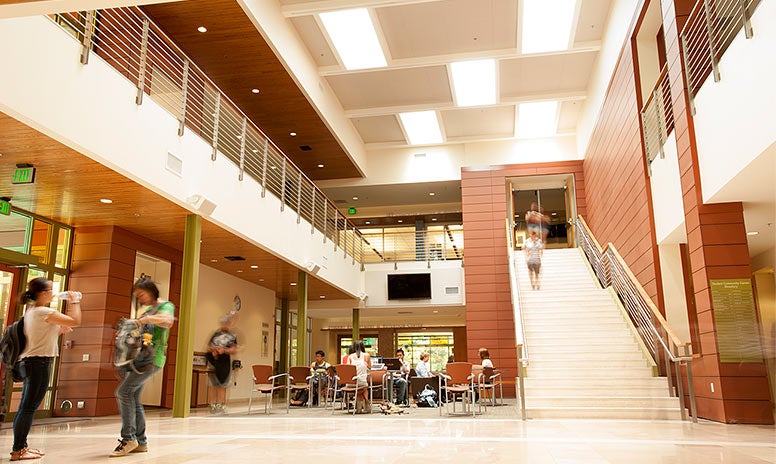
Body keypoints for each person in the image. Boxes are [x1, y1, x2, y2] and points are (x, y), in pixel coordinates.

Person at [10, 278, 81, 462]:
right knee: (28, 407)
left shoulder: (32, 311)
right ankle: (18, 449)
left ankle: (21, 446)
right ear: (42, 293)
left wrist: (59, 330)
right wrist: (75, 301)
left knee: (26, 406)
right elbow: (76, 320)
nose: (53, 292)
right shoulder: (44, 311)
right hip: (38, 363)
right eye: (50, 290)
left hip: (32, 362)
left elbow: (40, 335)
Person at [111, 277, 175, 457]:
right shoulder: (146, 310)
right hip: (139, 359)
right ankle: (141, 442)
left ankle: (128, 438)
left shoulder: (166, 306)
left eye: (142, 295)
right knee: (134, 398)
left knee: (123, 392)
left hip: (152, 359)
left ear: (151, 291)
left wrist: (144, 320)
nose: (140, 299)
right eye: (137, 297)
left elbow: (167, 321)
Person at [205, 312, 238, 414]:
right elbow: (208, 347)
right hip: (214, 363)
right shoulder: (215, 335)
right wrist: (214, 350)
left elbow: (234, 350)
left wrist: (224, 350)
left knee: (223, 385)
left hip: (225, 364)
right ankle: (212, 405)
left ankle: (222, 405)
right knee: (213, 385)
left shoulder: (231, 336)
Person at [346, 340, 371, 413]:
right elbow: (369, 367)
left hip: (350, 383)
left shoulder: (350, 357)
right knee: (364, 386)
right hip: (362, 382)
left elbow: (347, 368)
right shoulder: (366, 355)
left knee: (359, 386)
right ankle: (366, 401)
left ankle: (359, 408)